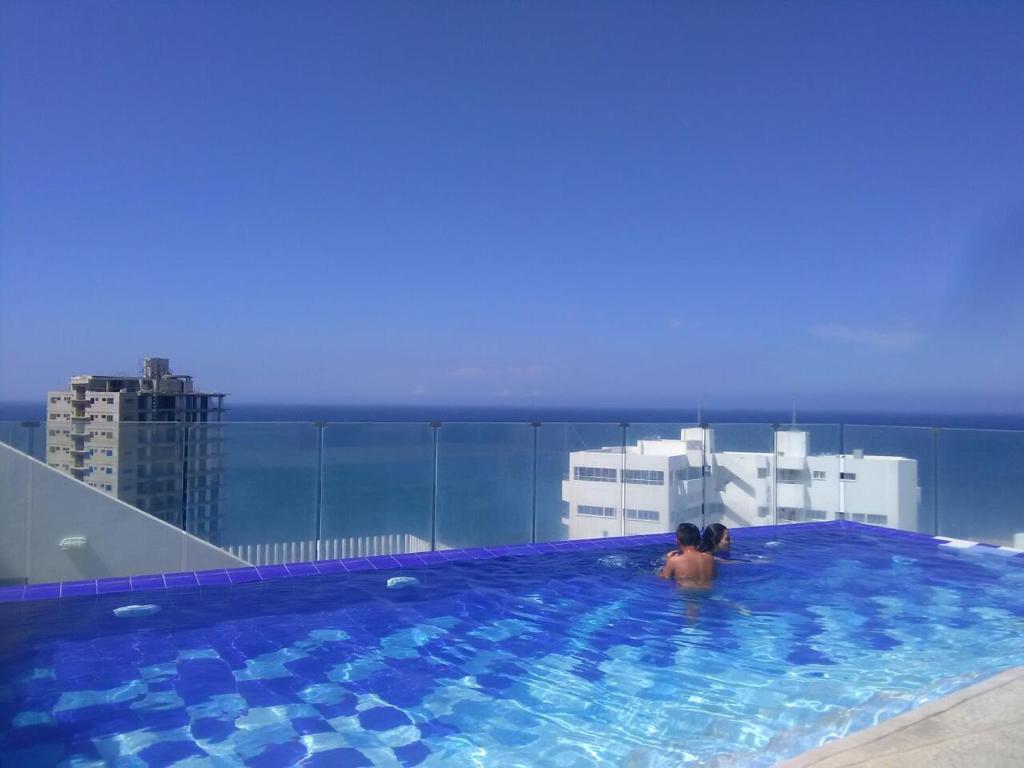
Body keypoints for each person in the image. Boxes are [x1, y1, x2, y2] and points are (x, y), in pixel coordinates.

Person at [659, 523, 715, 588]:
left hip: (685, 595)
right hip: (708, 593)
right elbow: (713, 577)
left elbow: (664, 578)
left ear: (678, 542)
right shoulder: (709, 558)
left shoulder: (674, 560)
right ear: (699, 541)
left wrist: (667, 561)